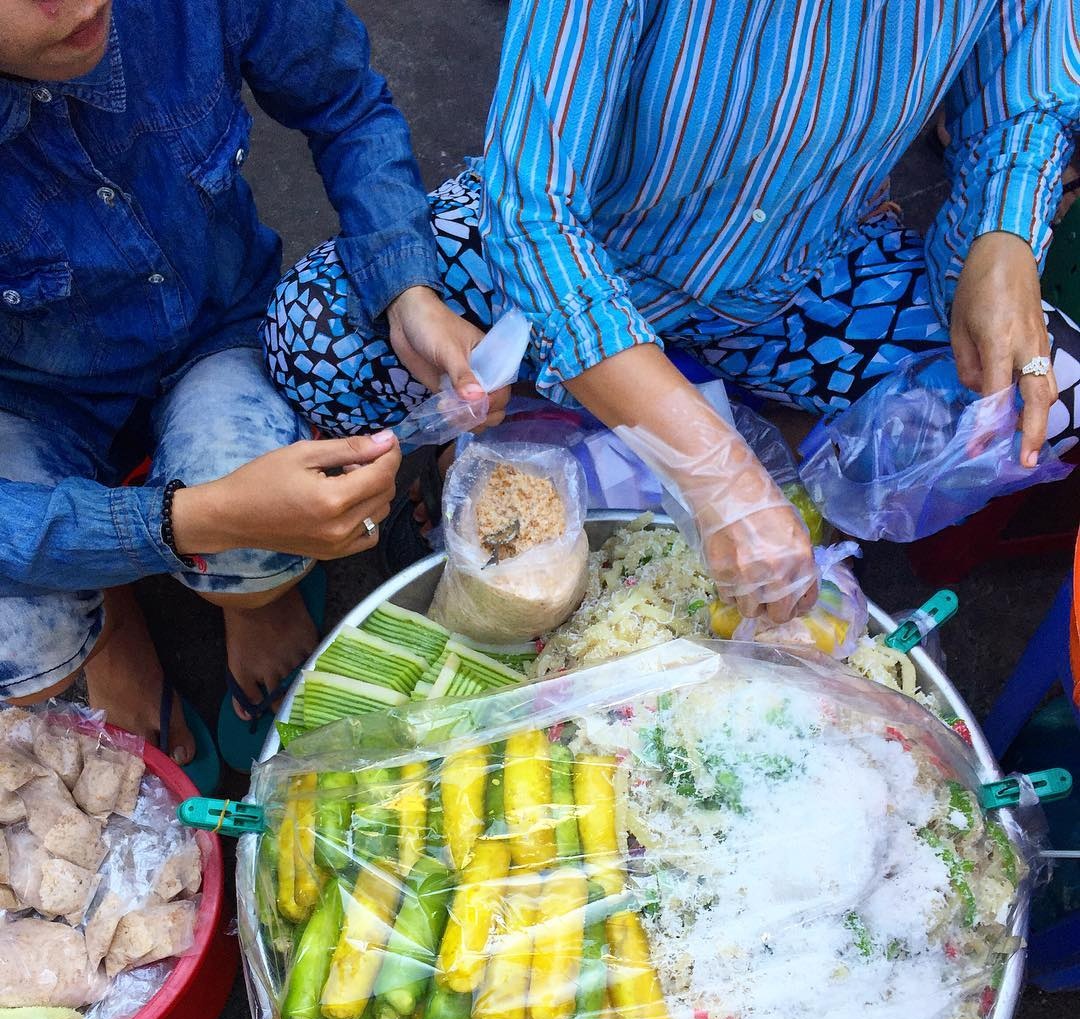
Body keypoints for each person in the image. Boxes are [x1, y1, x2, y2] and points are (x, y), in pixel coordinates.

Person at [265, 0, 1080, 621]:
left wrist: (1002, 236)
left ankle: (741, 454)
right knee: (315, 336)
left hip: (799, 268)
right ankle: (675, 438)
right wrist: (721, 475)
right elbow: (536, 204)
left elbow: (1025, 83)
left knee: (1042, 392)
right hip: (589, 250)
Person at [0, 0, 501, 770]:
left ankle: (247, 598)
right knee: (22, 646)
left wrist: (410, 293)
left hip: (211, 329)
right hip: (24, 404)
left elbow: (345, 100)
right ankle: (112, 620)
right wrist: (194, 517)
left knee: (254, 555)